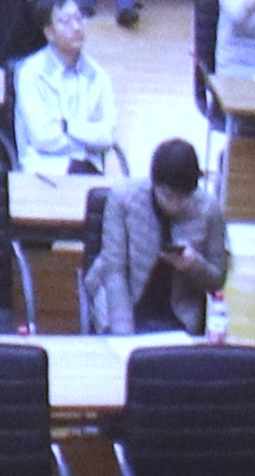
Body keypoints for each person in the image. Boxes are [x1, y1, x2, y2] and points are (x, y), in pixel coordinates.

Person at [78, 138, 220, 334]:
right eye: (168, 196)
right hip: (121, 303)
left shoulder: (209, 209)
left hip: (178, 316)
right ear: (154, 184)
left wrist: (194, 265)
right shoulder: (123, 199)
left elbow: (217, 279)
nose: (175, 204)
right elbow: (114, 271)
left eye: (183, 198)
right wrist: (124, 334)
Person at [11, 5, 122, 180]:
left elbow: (108, 136)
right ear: (49, 33)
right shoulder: (31, 73)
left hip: (88, 170)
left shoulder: (98, 75)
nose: (76, 27)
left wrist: (67, 126)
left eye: (78, 19)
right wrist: (87, 139)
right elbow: (42, 138)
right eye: (65, 22)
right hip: (42, 171)